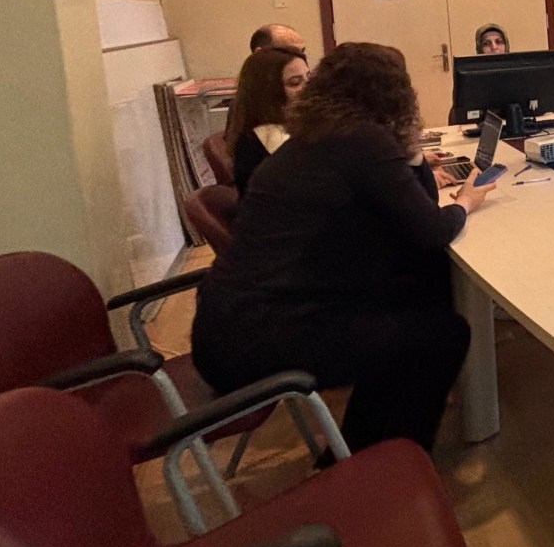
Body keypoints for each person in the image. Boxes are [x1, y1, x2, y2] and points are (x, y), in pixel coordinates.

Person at [191, 42, 494, 454]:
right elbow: (432, 230)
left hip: (227, 327)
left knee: (409, 305)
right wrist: (465, 202)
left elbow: (416, 214)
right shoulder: (363, 141)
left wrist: (412, 152)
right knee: (442, 334)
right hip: (261, 340)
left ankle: (356, 452)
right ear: (395, 95)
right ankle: (391, 465)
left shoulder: (311, 137)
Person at [224, 46, 309, 196]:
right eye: (295, 83)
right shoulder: (266, 136)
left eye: (309, 77)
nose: (308, 88)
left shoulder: (298, 123)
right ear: (269, 92)